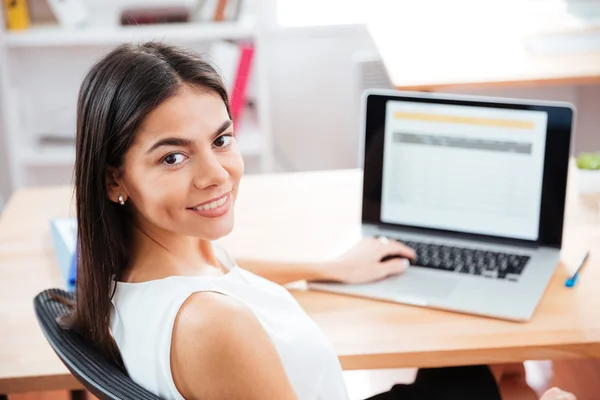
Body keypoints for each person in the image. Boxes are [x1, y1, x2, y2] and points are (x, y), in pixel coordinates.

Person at [60, 41, 575, 400]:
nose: (216, 175)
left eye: (221, 140)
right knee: (521, 388)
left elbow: (226, 266)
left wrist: (334, 267)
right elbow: (215, 305)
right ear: (114, 180)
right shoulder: (213, 325)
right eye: (173, 157)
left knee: (499, 372)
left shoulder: (138, 262)